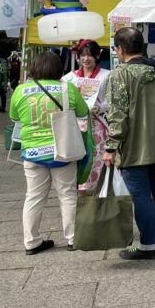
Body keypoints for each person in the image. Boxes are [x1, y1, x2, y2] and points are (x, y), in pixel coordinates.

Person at [104, 27, 155, 260]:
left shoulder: (118, 75)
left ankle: (148, 245)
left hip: (132, 148)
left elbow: (117, 115)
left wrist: (111, 147)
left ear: (120, 49)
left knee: (140, 196)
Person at [9, 52, 90, 254]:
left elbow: (14, 116)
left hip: (33, 152)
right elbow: (82, 112)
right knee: (68, 195)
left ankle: (31, 242)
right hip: (62, 151)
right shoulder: (67, 88)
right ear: (58, 68)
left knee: (34, 197)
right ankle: (73, 238)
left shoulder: (20, 90)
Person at [63, 40, 110, 193]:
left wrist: (100, 107)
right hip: (76, 127)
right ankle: (78, 192)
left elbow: (113, 102)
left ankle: (93, 194)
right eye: (82, 55)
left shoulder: (107, 76)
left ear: (97, 56)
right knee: (78, 160)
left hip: (98, 126)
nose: (86, 59)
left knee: (96, 160)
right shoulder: (69, 78)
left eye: (90, 55)